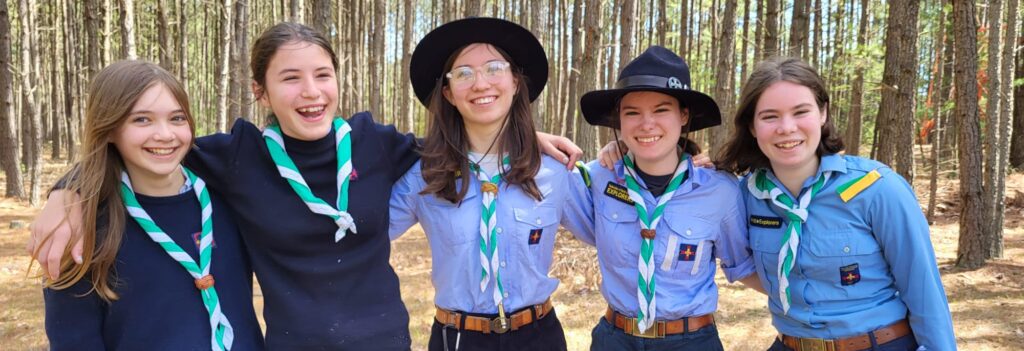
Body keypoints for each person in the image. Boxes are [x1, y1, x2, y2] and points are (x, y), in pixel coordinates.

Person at [29, 22, 581, 350]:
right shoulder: (236, 156)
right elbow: (143, 142)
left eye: (322, 75)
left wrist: (532, 136)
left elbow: (469, 140)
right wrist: (69, 188)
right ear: (261, 92)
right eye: (290, 78)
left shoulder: (376, 143)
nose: (311, 92)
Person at [716, 57, 956, 350]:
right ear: (752, 126)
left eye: (800, 111)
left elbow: (923, 289)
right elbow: (741, 264)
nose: (786, 127)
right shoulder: (744, 196)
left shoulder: (877, 188)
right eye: (769, 116)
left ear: (822, 113)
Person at [389, 17, 590, 351]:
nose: (480, 83)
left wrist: (630, 151)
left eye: (494, 68)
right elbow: (364, 234)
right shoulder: (424, 174)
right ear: (449, 94)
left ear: (515, 81)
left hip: (538, 337)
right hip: (457, 338)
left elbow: (614, 222)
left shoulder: (555, 171)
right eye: (463, 74)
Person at [39, 60, 263, 350]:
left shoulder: (227, 196)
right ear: (108, 129)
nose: (165, 134)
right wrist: (65, 192)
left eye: (177, 118)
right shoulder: (82, 229)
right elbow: (73, 340)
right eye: (142, 119)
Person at [568, 45, 764, 351]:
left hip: (691, 341)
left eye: (661, 110)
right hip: (615, 340)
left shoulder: (720, 190)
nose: (647, 124)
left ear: (684, 115)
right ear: (618, 120)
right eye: (632, 113)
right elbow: (536, 170)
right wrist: (534, 138)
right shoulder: (597, 178)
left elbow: (742, 265)